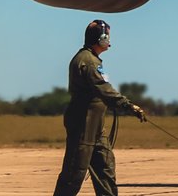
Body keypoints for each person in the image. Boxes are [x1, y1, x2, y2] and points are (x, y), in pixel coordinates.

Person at [52, 18, 147, 196]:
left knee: (105, 169)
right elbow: (104, 89)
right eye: (107, 37)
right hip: (83, 125)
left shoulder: (92, 59)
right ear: (101, 38)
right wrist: (127, 106)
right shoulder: (88, 61)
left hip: (95, 126)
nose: (109, 42)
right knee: (74, 173)